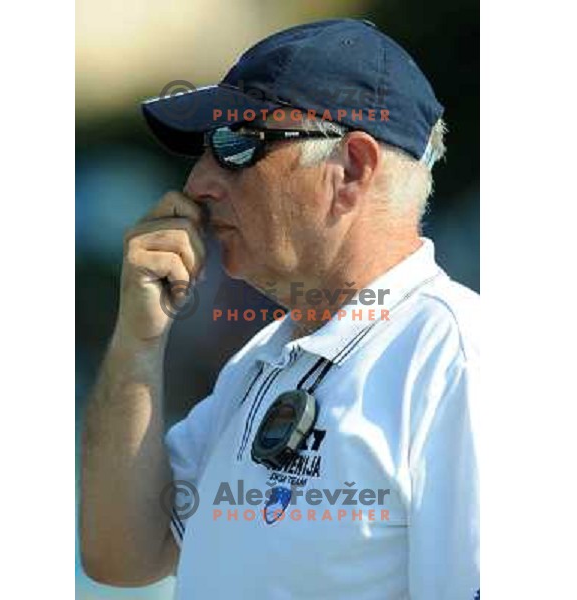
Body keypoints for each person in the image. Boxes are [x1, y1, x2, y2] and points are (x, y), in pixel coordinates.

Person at [80, 18, 479, 599]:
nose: (198, 183)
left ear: (352, 171)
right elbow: (123, 556)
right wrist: (138, 344)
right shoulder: (266, 360)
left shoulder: (455, 360)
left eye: (237, 144)